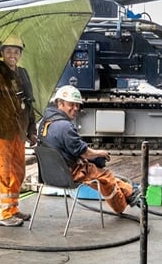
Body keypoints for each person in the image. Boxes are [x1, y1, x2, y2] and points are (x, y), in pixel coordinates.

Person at [37, 85, 138, 214]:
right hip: (68, 174)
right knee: (105, 175)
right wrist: (100, 153)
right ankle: (122, 205)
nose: (75, 109)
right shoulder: (65, 127)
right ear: (60, 104)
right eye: (71, 105)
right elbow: (85, 152)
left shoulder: (44, 123)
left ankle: (130, 191)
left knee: (96, 175)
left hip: (50, 174)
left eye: (77, 105)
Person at [0, 35, 37, 227]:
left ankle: (12, 208)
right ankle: (2, 214)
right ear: (1, 53)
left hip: (19, 131)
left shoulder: (23, 73)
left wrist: (32, 130)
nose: (12, 55)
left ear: (20, 54)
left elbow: (29, 103)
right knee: (2, 172)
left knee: (18, 172)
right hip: (0, 131)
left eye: (16, 51)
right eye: (8, 51)